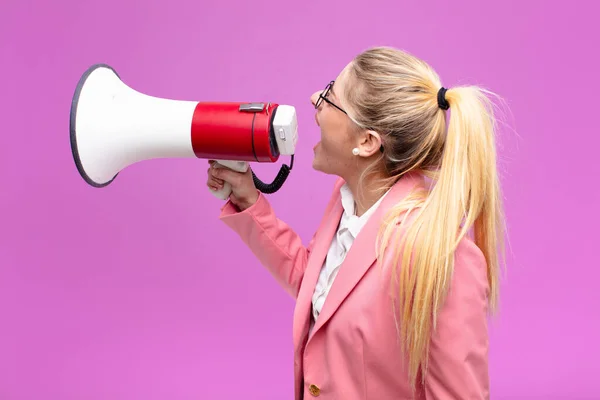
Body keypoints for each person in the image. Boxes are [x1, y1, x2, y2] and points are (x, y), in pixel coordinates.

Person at [206, 46, 506, 400]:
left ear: (366, 142)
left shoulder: (443, 257)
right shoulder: (348, 200)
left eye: (331, 96)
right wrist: (249, 200)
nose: (315, 98)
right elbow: (318, 285)